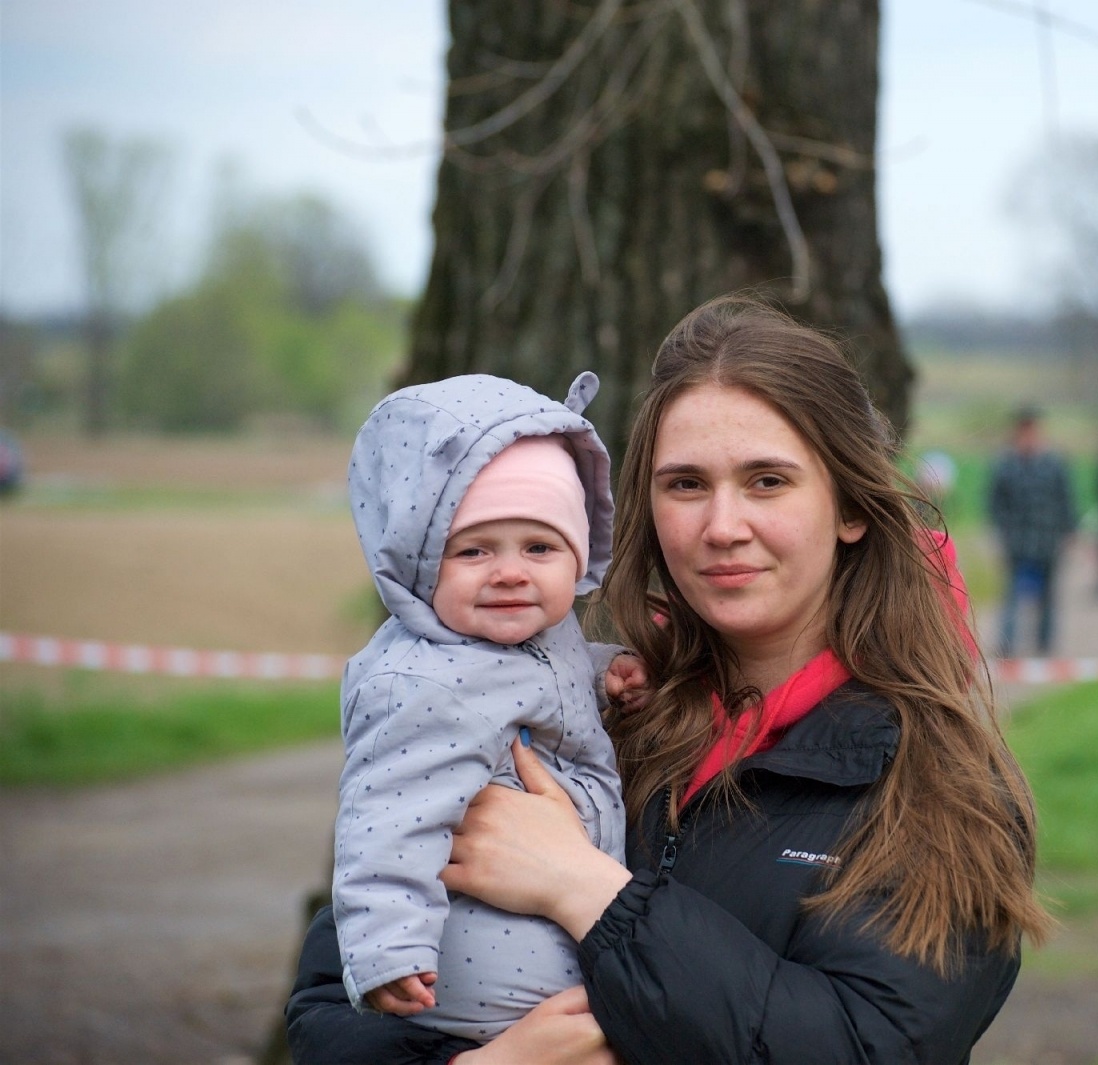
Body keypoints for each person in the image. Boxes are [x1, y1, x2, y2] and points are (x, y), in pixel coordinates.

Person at [286, 296, 1053, 1064]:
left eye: (767, 481)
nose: (722, 525)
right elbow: (334, 988)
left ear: (850, 504)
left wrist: (584, 889)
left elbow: (866, 1044)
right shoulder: (574, 700)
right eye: (686, 484)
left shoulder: (938, 784)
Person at [332, 372, 646, 1041]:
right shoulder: (417, 684)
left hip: (564, 940)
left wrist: (604, 672)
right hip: (484, 986)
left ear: (576, 554)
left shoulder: (539, 634)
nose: (510, 571)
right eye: (473, 550)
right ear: (419, 563)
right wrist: (388, 949)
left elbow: (538, 683)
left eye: (539, 547)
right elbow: (384, 819)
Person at [986, 406, 1078, 657]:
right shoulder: (1005, 466)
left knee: (1048, 596)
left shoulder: (1054, 464)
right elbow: (994, 503)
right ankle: (1007, 645)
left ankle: (1045, 645)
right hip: (1017, 542)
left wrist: (1070, 531)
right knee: (1012, 596)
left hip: (1048, 541)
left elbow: (1066, 499)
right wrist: (1003, 530)